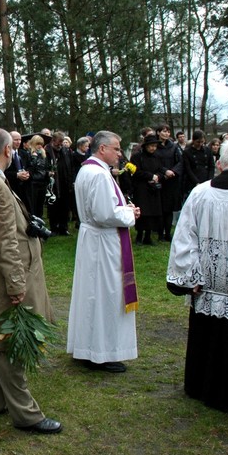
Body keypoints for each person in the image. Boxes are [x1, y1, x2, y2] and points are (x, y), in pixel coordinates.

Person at [0, 129, 61, 434]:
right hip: (0, 277)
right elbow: (4, 241)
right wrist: (16, 284)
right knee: (8, 341)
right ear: (7, 150)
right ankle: (26, 414)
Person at [167, 139, 228, 413]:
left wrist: (190, 277)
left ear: (219, 164)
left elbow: (184, 239)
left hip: (208, 289)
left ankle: (202, 386)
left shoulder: (199, 193)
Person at [67, 131, 140, 373]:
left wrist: (123, 208)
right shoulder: (97, 174)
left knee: (92, 294)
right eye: (116, 149)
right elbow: (104, 214)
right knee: (105, 295)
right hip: (102, 242)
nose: (120, 154)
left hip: (95, 240)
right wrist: (130, 213)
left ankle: (87, 347)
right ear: (102, 149)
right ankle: (101, 352)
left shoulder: (89, 170)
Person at [129, 134, 163, 245]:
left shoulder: (157, 157)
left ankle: (148, 236)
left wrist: (157, 177)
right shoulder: (137, 157)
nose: (153, 148)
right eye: (151, 146)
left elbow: (160, 169)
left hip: (153, 188)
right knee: (142, 211)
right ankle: (139, 235)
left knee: (153, 212)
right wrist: (150, 176)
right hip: (141, 188)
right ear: (146, 146)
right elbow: (135, 171)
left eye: (155, 146)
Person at [154, 124, 183, 240]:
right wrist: (164, 171)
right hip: (160, 179)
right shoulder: (154, 146)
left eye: (168, 132)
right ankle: (160, 233)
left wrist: (173, 171)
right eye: (164, 131)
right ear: (158, 132)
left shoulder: (174, 147)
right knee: (160, 208)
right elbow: (153, 162)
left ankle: (168, 233)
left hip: (172, 181)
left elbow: (180, 162)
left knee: (169, 209)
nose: (166, 134)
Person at [3, 131, 31, 214]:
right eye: (16, 140)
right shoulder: (5, 155)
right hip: (12, 188)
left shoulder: (24, 154)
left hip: (25, 189)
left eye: (20, 139)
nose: (18, 142)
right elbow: (3, 171)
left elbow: (30, 167)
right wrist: (16, 175)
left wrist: (27, 173)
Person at [182, 130, 214, 196]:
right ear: (193, 141)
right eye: (198, 142)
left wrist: (209, 180)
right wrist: (196, 182)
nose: (200, 144)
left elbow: (211, 166)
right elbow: (188, 169)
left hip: (206, 179)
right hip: (193, 180)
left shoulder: (208, 150)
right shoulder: (187, 152)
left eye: (202, 142)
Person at [25, 135, 49, 220]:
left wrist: (48, 174)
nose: (40, 146)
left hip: (42, 182)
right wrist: (34, 158)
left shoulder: (43, 154)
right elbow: (30, 168)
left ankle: (40, 221)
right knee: (33, 205)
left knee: (40, 205)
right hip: (33, 182)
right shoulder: (29, 154)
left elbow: (45, 167)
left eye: (41, 144)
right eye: (38, 144)